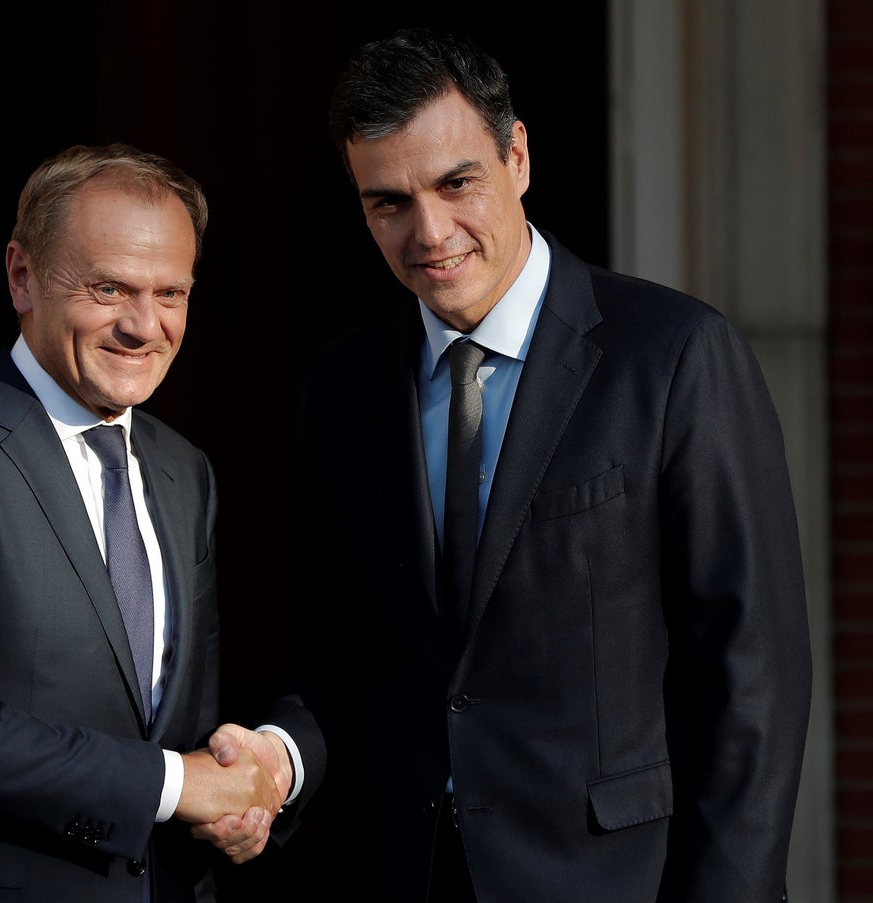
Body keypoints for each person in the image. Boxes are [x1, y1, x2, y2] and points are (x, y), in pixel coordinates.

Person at [290, 26, 812, 903]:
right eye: (388, 202)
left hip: (619, 878)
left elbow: (752, 674)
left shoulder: (674, 355)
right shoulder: (343, 387)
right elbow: (333, 650)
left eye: (458, 183)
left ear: (518, 156)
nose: (429, 231)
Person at [0, 142, 325, 902]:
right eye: (109, 288)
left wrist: (236, 797)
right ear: (21, 276)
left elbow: (180, 733)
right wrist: (173, 784)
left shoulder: (182, 469)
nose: (144, 324)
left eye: (172, 293)